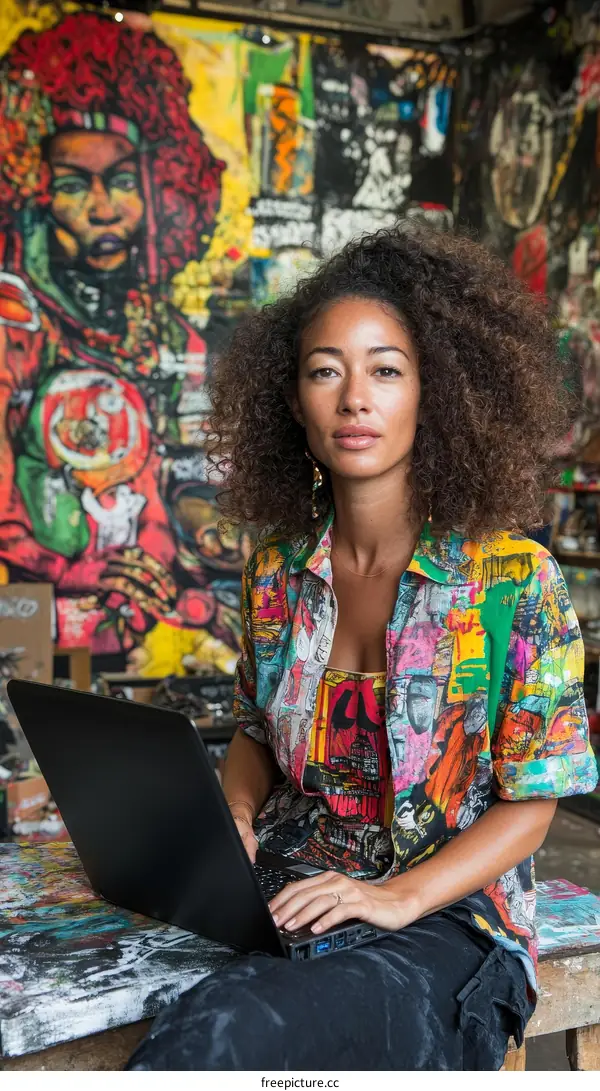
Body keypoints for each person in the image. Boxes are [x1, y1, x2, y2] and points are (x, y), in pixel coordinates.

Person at [128, 226, 598, 1071]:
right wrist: (232, 817)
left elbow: (536, 799)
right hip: (293, 878)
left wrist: (393, 897)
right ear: (292, 398)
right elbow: (252, 735)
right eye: (324, 369)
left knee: (222, 1037)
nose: (354, 398)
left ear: (437, 392)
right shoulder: (276, 570)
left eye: (386, 369)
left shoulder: (510, 578)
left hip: (448, 921)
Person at [0, 11, 244, 669]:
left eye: (124, 181)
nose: (104, 207)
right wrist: (96, 577)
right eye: (75, 183)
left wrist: (209, 530)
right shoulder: (13, 323)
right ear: (35, 190)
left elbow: (186, 472)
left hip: (146, 632)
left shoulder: (174, 338)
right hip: (24, 628)